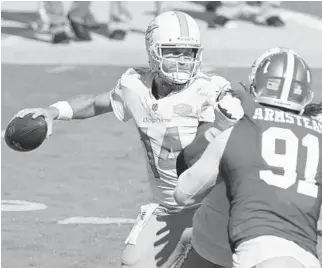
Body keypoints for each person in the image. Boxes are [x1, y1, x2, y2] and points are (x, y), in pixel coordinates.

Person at [13, 11, 242, 268]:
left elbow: (247, 130)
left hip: (213, 207)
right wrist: (54, 111)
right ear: (154, 52)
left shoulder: (211, 90)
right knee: (132, 264)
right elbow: (94, 103)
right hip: (168, 209)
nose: (182, 60)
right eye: (173, 51)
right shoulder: (135, 86)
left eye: (188, 52)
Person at [175, 47, 322, 268]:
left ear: (255, 86)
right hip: (297, 254)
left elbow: (183, 189)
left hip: (235, 249)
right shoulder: (315, 134)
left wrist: (218, 130)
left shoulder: (236, 123)